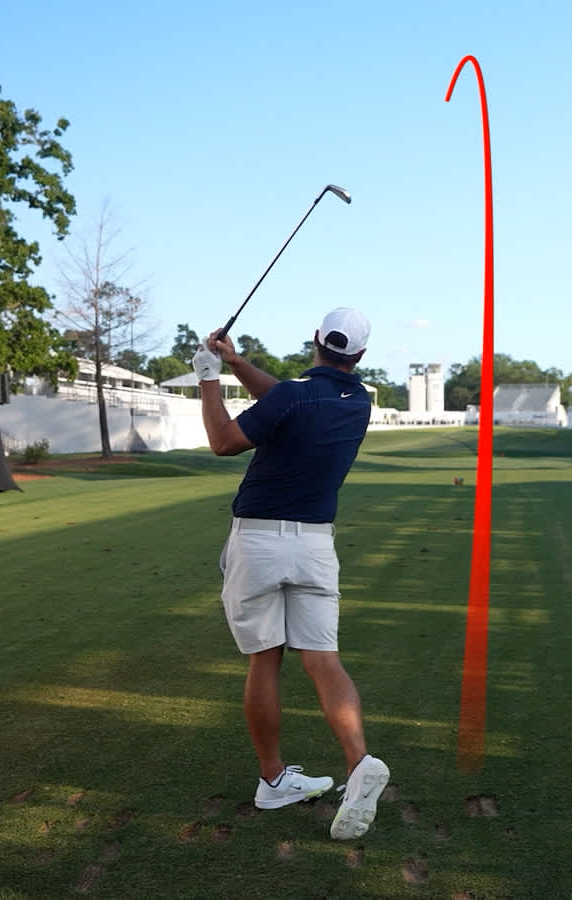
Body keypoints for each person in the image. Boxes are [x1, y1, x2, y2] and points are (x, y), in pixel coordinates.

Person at [192, 307, 389, 841]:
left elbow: (224, 441)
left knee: (264, 659)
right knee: (323, 660)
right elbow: (287, 396)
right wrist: (236, 362)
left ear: (316, 341)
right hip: (315, 547)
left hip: (257, 541)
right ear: (360, 356)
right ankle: (357, 763)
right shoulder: (357, 401)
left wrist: (209, 379)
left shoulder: (294, 396)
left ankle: (274, 779)